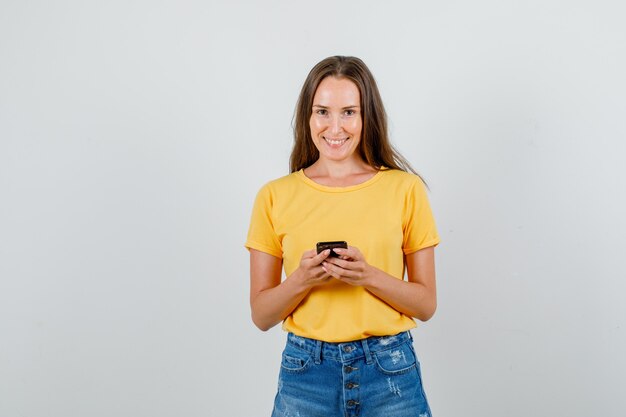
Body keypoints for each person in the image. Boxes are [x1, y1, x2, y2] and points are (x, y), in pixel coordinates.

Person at [245, 55, 440, 417]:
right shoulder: (274, 196)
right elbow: (261, 315)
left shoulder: (405, 189)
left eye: (349, 112)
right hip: (306, 375)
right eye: (323, 111)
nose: (335, 127)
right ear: (308, 116)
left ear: (368, 117)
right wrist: (302, 280)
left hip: (389, 372)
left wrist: (368, 275)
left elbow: (426, 304)